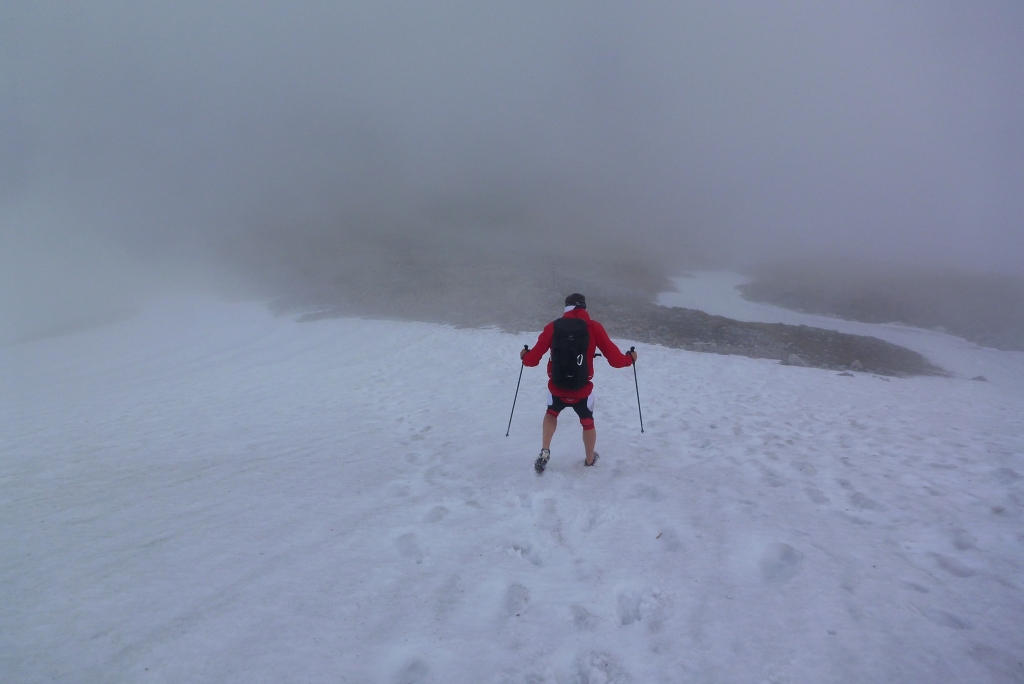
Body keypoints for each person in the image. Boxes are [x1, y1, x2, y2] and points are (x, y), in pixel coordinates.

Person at [520, 293, 638, 473]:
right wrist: (630, 359)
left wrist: (524, 356)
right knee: (587, 421)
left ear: (566, 307)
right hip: (582, 390)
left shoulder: (553, 327)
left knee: (551, 413)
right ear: (584, 307)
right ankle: (590, 459)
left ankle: (545, 451)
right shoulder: (594, 327)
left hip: (557, 387)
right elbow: (615, 360)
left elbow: (531, 361)